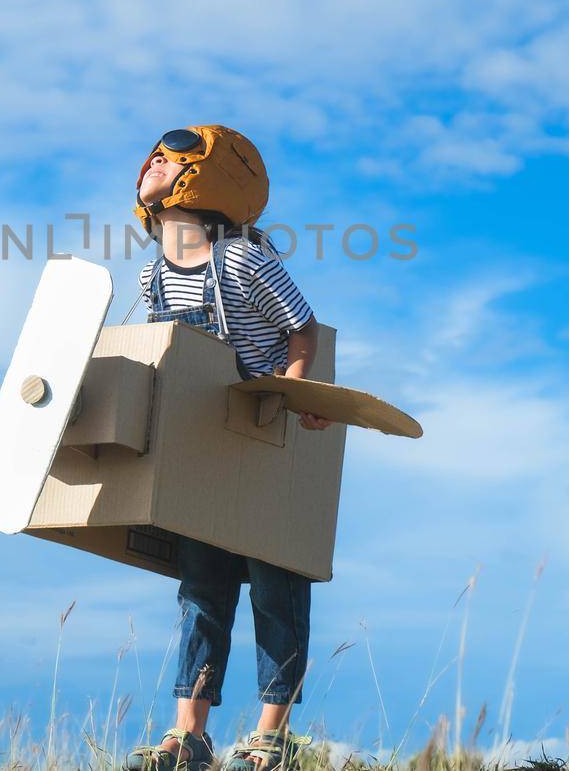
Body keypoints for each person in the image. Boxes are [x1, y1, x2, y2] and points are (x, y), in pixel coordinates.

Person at [123, 125, 329, 771]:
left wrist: (293, 393)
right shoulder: (153, 273)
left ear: (205, 179)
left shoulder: (239, 260)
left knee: (275, 582)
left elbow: (303, 327)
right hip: (206, 442)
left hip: (268, 430)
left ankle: (271, 735)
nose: (155, 157)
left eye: (174, 151)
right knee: (201, 586)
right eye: (153, 152)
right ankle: (190, 735)